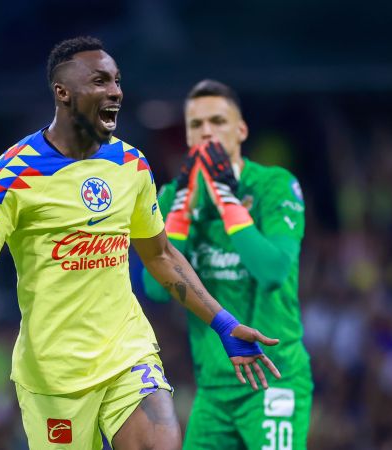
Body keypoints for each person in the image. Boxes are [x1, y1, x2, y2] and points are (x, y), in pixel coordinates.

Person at [0, 37, 281, 450]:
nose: (115, 91)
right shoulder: (11, 174)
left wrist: (223, 323)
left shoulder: (131, 165)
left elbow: (160, 255)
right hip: (53, 378)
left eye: (116, 81)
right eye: (100, 81)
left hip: (126, 354)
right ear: (63, 93)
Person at [142, 79, 313, 449]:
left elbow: (271, 273)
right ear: (187, 136)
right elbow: (156, 287)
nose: (206, 131)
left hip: (273, 378)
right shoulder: (174, 196)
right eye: (196, 125)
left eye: (217, 121)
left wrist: (224, 197)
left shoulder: (274, 185)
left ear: (241, 130)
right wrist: (183, 209)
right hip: (213, 389)